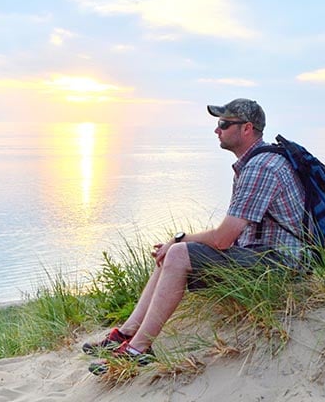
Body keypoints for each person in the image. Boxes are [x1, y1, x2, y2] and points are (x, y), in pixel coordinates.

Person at [85, 98, 306, 375]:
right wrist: (177, 245)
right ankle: (127, 333)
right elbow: (234, 236)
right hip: (260, 259)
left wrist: (179, 240)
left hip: (278, 267)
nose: (217, 130)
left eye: (224, 124)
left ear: (247, 128)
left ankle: (138, 350)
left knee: (177, 252)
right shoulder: (253, 165)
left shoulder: (261, 168)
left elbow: (223, 239)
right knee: (172, 254)